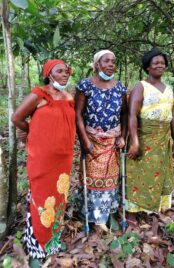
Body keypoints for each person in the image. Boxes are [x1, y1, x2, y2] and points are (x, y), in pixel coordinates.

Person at [11, 59, 76, 266]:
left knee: (58, 198)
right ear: (49, 74)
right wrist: (32, 133)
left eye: (66, 71)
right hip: (42, 159)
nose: (65, 74)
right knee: (41, 198)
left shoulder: (68, 97)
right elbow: (17, 117)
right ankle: (37, 247)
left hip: (63, 158)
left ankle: (52, 242)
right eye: (60, 71)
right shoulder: (39, 94)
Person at [75, 50, 127, 232]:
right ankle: (90, 216)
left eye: (114, 61)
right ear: (97, 64)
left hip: (112, 141)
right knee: (92, 179)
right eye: (107, 61)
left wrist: (123, 137)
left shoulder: (120, 87)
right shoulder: (85, 85)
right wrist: (84, 140)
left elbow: (125, 114)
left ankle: (104, 215)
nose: (111, 64)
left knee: (110, 179)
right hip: (92, 141)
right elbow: (78, 114)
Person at [126, 48, 174, 225]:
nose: (160, 66)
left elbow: (171, 115)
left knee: (160, 173)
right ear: (147, 67)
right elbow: (132, 115)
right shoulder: (141, 87)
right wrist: (134, 141)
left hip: (164, 138)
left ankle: (154, 206)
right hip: (145, 135)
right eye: (155, 63)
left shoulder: (169, 89)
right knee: (139, 172)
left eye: (162, 63)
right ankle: (132, 212)